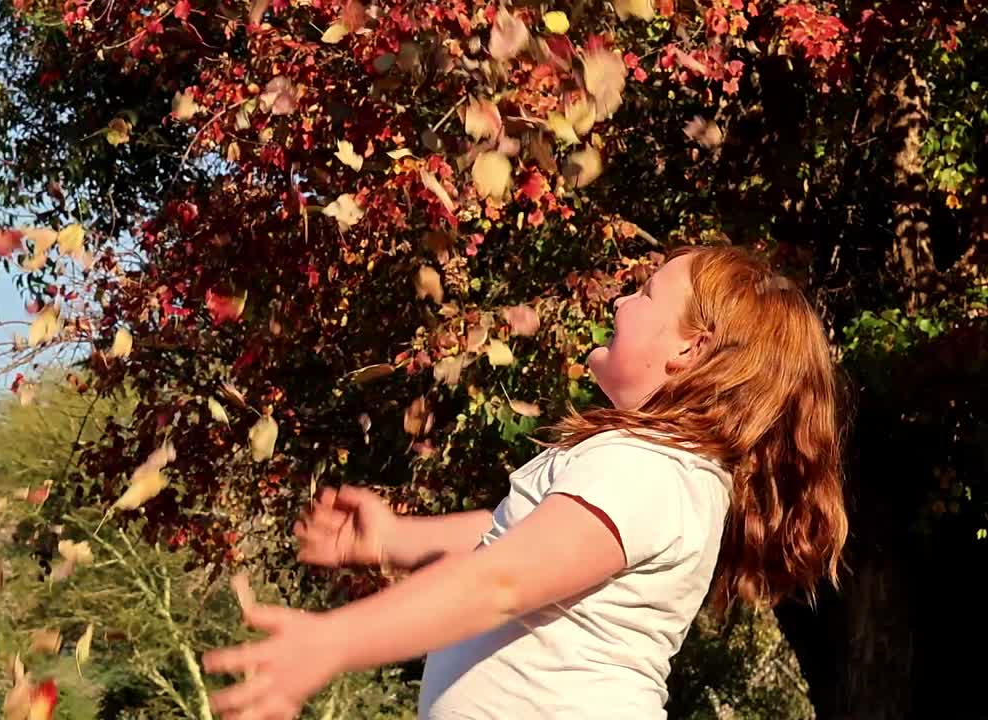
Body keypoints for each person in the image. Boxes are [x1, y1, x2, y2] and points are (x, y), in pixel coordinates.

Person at [202, 245, 849, 720]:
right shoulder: (660, 471)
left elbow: (503, 581)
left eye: (647, 294)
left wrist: (332, 640)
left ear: (690, 352)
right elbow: (517, 543)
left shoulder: (647, 467)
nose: (622, 300)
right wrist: (397, 537)